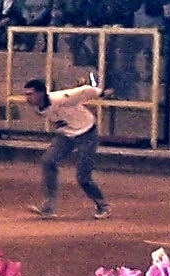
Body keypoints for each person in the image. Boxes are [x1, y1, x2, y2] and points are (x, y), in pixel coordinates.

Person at [22, 76, 110, 219]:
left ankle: (103, 205)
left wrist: (101, 93)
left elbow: (84, 90)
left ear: (41, 93)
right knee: (48, 161)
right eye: (26, 95)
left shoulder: (61, 98)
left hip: (87, 132)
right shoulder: (38, 109)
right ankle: (48, 206)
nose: (27, 99)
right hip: (66, 134)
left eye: (30, 94)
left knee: (83, 177)